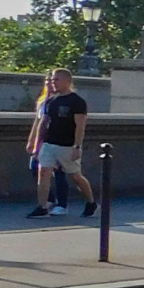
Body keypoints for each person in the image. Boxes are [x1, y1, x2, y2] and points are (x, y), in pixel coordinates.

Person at [27, 69, 97, 218]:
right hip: (49, 143)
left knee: (75, 176)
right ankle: (42, 206)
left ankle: (91, 202)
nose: (53, 82)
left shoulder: (77, 102)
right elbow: (43, 122)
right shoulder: (51, 101)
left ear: (68, 81)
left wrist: (77, 146)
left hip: (67, 145)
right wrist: (36, 143)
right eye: (52, 80)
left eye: (57, 80)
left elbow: (80, 126)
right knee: (43, 172)